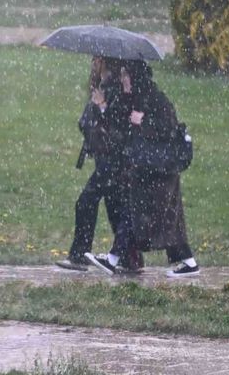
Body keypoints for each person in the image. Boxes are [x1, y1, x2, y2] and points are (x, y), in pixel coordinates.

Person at [84, 60, 199, 277]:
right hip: (147, 169)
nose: (122, 79)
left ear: (136, 77)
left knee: (158, 217)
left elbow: (169, 129)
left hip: (160, 172)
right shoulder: (134, 98)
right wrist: (102, 106)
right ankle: (114, 259)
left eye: (126, 75)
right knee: (145, 215)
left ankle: (114, 259)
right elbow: (119, 126)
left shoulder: (155, 99)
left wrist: (144, 120)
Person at [56, 57, 143, 272]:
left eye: (98, 58)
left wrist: (102, 106)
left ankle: (79, 256)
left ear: (105, 61)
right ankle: (131, 259)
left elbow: (119, 126)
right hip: (108, 160)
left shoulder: (115, 88)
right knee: (115, 208)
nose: (94, 62)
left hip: (113, 162)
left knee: (86, 203)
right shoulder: (105, 85)